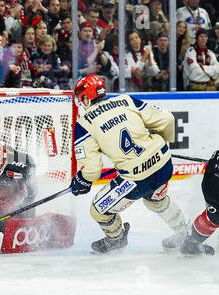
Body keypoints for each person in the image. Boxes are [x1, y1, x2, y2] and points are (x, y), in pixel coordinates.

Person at [70, 74, 187, 254]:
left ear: (86, 96)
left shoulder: (84, 122)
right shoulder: (126, 100)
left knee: (98, 211)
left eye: (81, 96)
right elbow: (167, 120)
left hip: (137, 180)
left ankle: (116, 239)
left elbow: (92, 171)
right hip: (164, 165)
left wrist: (82, 180)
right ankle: (184, 233)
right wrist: (157, 145)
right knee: (156, 200)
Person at [179, 151, 219, 256]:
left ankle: (192, 241)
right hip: (214, 185)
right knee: (215, 217)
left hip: (212, 178)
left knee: (214, 217)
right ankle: (191, 242)